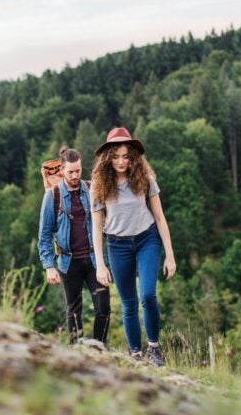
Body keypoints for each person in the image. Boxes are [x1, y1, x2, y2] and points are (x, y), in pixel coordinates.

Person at [90, 127, 176, 365]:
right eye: (115, 156)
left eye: (126, 156)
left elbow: (160, 217)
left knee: (147, 295)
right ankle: (136, 354)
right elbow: (97, 228)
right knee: (128, 304)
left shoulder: (146, 180)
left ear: (133, 157)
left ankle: (154, 348)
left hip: (147, 240)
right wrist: (100, 264)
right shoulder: (98, 186)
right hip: (117, 245)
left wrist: (170, 255)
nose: (120, 161)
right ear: (108, 157)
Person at [38, 146, 110, 344]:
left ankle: (100, 348)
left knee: (103, 308)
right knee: (74, 311)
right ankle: (77, 351)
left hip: (95, 259)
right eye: (70, 171)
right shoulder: (52, 196)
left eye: (78, 170)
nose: (75, 175)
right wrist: (49, 266)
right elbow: (44, 234)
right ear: (62, 170)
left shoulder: (91, 189)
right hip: (68, 262)